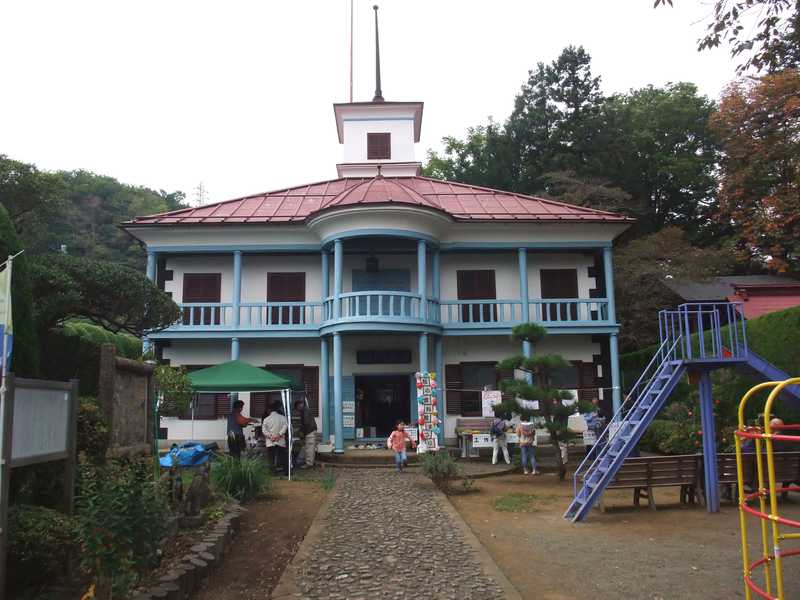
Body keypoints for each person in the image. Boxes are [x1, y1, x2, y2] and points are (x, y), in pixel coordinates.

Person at [262, 402, 289, 475]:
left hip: (270, 441)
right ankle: (286, 472)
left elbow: (264, 430)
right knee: (283, 457)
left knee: (271, 458)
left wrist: (270, 436)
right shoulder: (283, 417)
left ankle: (272, 473)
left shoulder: (266, 419)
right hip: (280, 440)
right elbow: (285, 427)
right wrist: (279, 435)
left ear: (270, 410)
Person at [294, 398, 318, 469]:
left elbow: (306, 423)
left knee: (309, 448)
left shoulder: (305, 411)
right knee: (309, 447)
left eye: (297, 408)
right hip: (310, 431)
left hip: (310, 431)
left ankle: (309, 464)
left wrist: (302, 432)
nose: (297, 410)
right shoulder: (305, 410)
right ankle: (310, 462)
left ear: (299, 405)